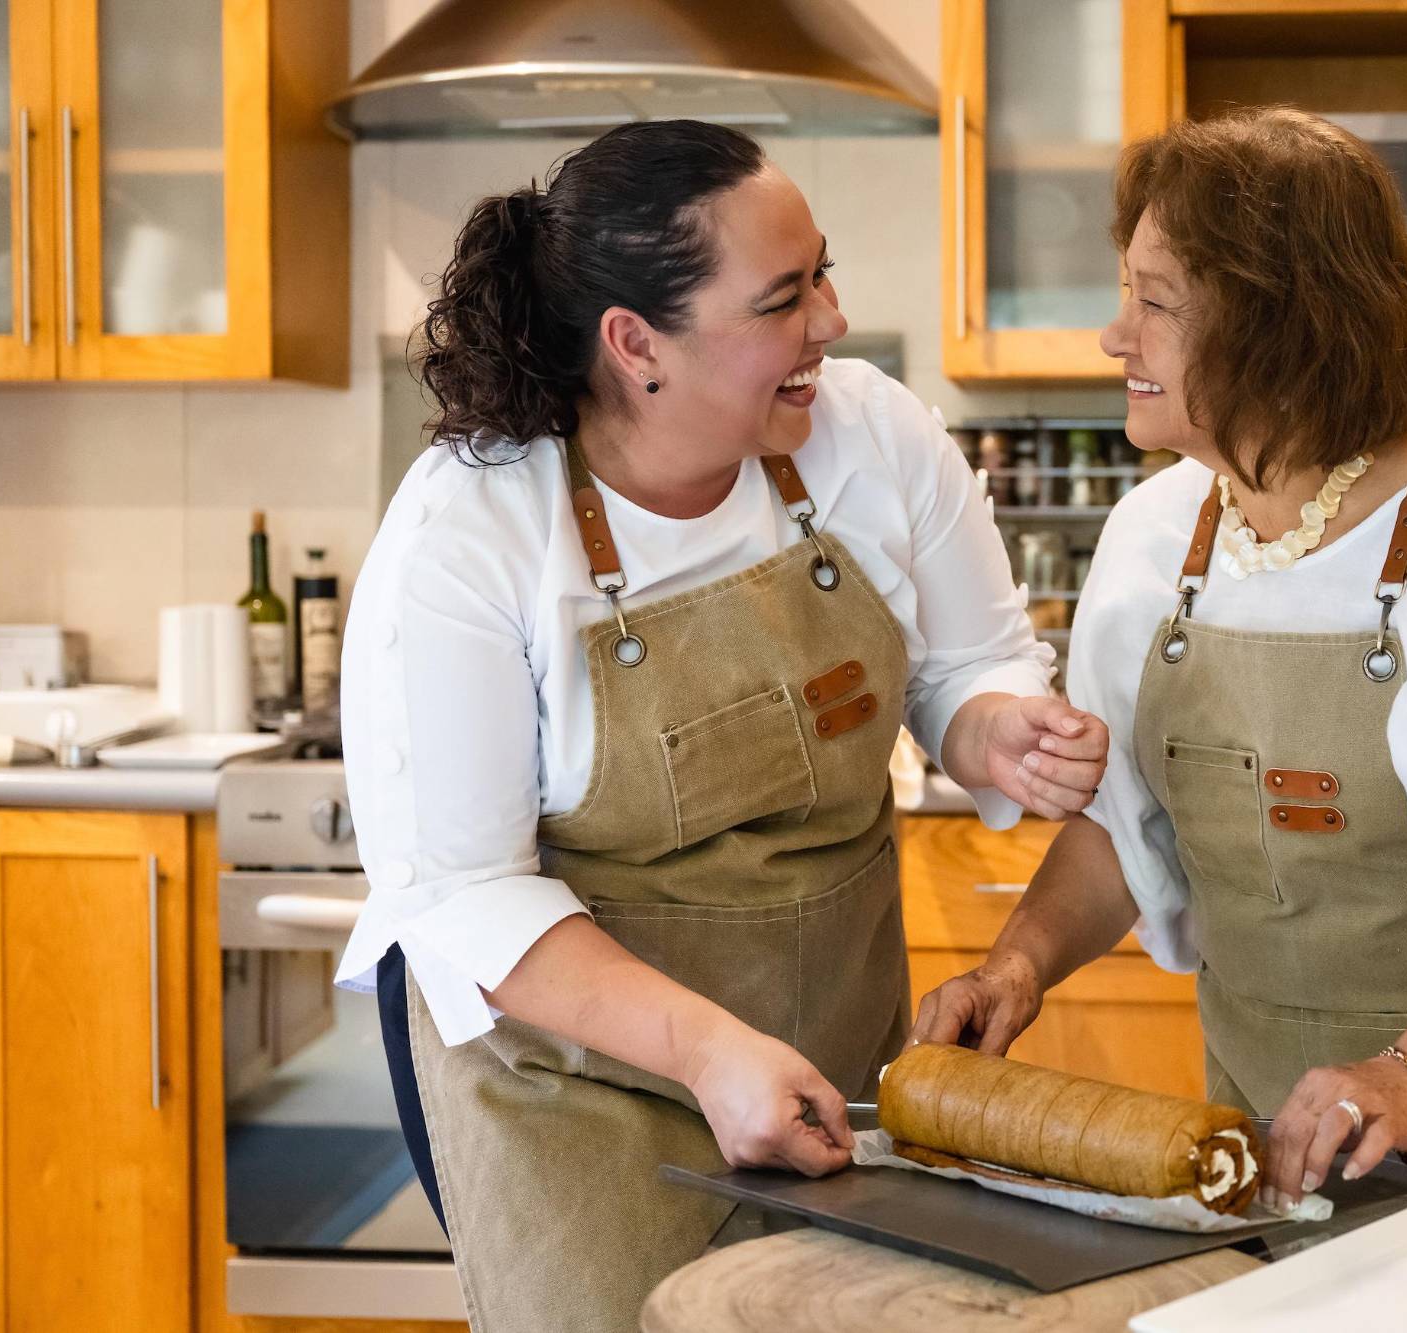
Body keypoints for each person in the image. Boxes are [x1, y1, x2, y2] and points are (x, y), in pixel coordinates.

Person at [333, 120, 1107, 1330]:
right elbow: (462, 891)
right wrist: (702, 1048)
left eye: (825, 273)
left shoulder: (871, 436)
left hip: (836, 1069)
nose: (834, 322)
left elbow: (966, 665)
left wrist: (992, 728)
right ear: (636, 343)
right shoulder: (469, 533)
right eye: (783, 300)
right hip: (587, 1097)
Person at [913, 108, 1407, 1212]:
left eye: (1152, 301)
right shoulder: (1157, 537)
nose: (1113, 335)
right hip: (1259, 1141)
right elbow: (1122, 831)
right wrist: (1014, 966)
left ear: (1273, 328)